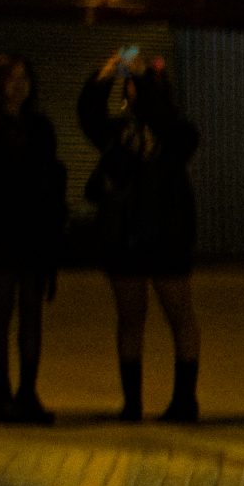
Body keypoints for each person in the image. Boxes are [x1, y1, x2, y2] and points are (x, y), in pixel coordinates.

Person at [78, 49, 201, 423]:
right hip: (125, 235)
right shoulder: (118, 133)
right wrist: (106, 72)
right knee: (130, 318)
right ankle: (132, 403)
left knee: (179, 315)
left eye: (139, 84)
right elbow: (88, 114)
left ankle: (184, 401)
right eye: (131, 84)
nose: (133, 89)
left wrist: (147, 80)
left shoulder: (178, 132)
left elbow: (166, 124)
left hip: (167, 234)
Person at [0, 52, 66, 425]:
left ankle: (27, 392)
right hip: (1, 232)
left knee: (31, 312)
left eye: (25, 78)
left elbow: (51, 179)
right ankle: (1, 391)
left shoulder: (39, 127)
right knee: (1, 308)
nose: (20, 86)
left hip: (33, 232)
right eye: (12, 78)